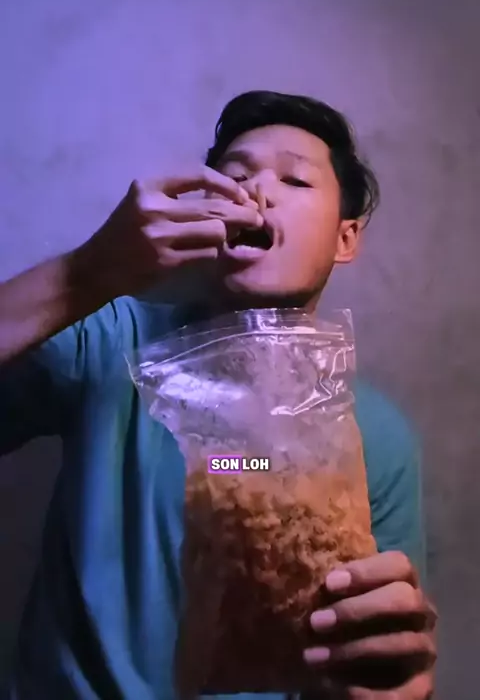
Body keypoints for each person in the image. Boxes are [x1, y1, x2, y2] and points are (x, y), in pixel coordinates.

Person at [0, 91, 436, 700]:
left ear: (346, 238)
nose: (255, 192)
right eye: (234, 176)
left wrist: (389, 680)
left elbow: (374, 648)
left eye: (294, 179)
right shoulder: (113, 339)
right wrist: (89, 272)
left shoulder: (377, 437)